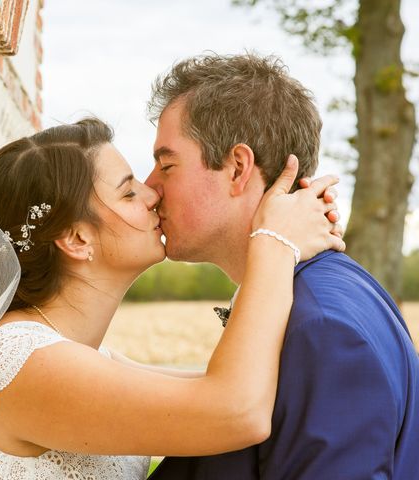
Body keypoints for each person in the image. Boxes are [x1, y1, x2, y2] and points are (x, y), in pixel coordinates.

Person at [0, 117, 343, 480]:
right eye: (129, 192)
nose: (153, 193)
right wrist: (273, 242)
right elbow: (236, 411)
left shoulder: (82, 358)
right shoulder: (21, 364)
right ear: (77, 239)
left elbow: (254, 386)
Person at [145, 53, 419, 480]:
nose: (149, 187)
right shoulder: (308, 295)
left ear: (237, 168)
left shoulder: (323, 327)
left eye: (167, 165)